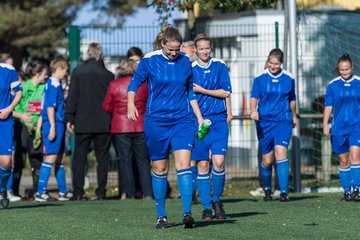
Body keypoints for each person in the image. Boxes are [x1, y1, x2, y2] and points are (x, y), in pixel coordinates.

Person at [127, 25, 203, 229]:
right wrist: (130, 103)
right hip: (156, 122)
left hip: (182, 120)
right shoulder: (149, 60)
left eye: (177, 49)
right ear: (162, 44)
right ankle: (161, 215)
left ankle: (187, 212)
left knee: (184, 164)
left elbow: (190, 92)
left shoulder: (185, 61)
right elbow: (134, 84)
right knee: (159, 168)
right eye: (170, 49)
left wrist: (200, 117)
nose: (174, 53)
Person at [189, 33, 232, 220]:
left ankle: (217, 200)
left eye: (207, 48)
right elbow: (189, 96)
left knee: (219, 162)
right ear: (195, 50)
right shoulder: (190, 69)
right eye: (201, 49)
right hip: (199, 122)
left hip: (219, 121)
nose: (205, 51)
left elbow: (226, 93)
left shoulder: (220, 66)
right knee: (203, 164)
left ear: (211, 48)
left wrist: (203, 90)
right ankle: (206, 207)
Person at [66, 42, 114, 201]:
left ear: (88, 54)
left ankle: (78, 192)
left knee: (79, 158)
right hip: (103, 121)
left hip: (83, 121)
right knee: (102, 159)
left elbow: (73, 97)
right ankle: (101, 192)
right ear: (100, 55)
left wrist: (70, 118)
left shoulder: (78, 72)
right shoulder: (108, 75)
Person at [250, 48, 297, 202]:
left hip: (283, 121)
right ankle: (267, 189)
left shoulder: (289, 78)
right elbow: (254, 97)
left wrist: (294, 115)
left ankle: (283, 192)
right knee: (267, 160)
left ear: (281, 63)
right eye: (270, 62)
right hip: (265, 123)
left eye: (276, 64)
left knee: (281, 152)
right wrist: (253, 110)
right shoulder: (259, 78)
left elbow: (292, 99)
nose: (272, 66)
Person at [103, 59, 152, 200]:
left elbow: (106, 106)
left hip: (121, 127)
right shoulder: (144, 85)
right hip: (141, 125)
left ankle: (129, 193)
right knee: (143, 160)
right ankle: (147, 192)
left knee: (125, 160)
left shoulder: (114, 84)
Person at [323, 53, 360, 201]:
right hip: (338, 128)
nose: (344, 72)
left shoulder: (359, 82)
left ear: (352, 67)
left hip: (356, 126)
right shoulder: (333, 85)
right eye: (341, 70)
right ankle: (347, 191)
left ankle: (357, 189)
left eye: (347, 69)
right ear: (338, 69)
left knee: (355, 156)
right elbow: (328, 106)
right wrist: (325, 123)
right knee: (343, 160)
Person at [34, 57, 71, 202]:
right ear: (60, 68)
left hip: (58, 123)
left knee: (60, 156)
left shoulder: (53, 84)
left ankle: (63, 191)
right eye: (65, 71)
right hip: (53, 123)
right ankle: (40, 191)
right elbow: (50, 107)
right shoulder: (53, 85)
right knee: (51, 156)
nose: (66, 74)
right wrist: (53, 127)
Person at [11, 62, 48, 200]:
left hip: (36, 128)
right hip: (21, 127)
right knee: (20, 160)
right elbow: (15, 107)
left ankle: (37, 191)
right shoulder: (24, 87)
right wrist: (23, 117)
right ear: (37, 74)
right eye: (44, 74)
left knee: (37, 159)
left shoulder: (44, 88)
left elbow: (43, 108)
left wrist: (38, 126)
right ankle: (14, 191)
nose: (46, 76)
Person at [0, 61, 22, 208]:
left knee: (7, 161)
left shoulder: (8, 70)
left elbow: (19, 92)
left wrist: (9, 109)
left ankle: (2, 190)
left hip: (5, 121)